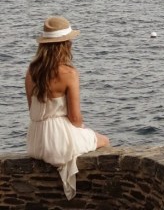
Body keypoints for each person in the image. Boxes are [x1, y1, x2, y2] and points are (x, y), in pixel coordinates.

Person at [24, 16, 110, 200]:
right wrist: (83, 133)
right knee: (103, 140)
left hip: (35, 140)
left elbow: (32, 111)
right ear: (65, 45)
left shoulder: (31, 71)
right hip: (58, 141)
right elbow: (75, 119)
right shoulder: (69, 73)